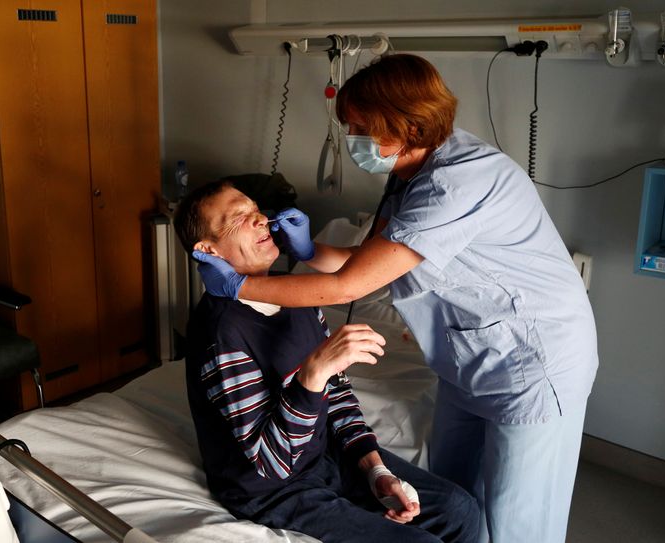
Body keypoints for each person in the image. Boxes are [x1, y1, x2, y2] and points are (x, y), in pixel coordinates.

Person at [193, 54, 599, 543]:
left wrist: (241, 285)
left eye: (360, 126)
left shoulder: (456, 182)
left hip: (532, 358)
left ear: (403, 125)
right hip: (467, 358)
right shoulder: (406, 171)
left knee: (516, 523)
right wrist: (307, 250)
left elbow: (350, 289)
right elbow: (363, 260)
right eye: (237, 219)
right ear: (206, 248)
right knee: (457, 499)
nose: (351, 137)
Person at [174, 180, 479, 543]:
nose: (259, 219)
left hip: (327, 455)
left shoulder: (295, 295)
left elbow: (338, 399)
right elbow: (272, 462)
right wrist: (311, 376)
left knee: (461, 510)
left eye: (256, 210)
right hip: (274, 488)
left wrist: (374, 468)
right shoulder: (220, 334)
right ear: (208, 251)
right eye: (238, 218)